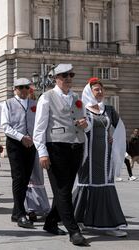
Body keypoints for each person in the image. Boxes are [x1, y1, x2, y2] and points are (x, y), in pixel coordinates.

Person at [33, 64, 90, 246]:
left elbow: (86, 123)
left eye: (71, 75)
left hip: (76, 147)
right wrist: (42, 153)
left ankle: (50, 222)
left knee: (64, 188)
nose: (68, 78)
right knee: (63, 190)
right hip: (56, 147)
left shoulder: (76, 97)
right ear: (56, 78)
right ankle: (73, 231)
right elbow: (39, 128)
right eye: (64, 75)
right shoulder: (46, 98)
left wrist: (85, 123)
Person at [73, 77, 128, 237]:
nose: (101, 92)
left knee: (106, 184)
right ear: (89, 92)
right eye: (96, 89)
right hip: (87, 156)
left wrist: (113, 139)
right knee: (86, 185)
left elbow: (120, 128)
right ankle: (79, 220)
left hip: (105, 156)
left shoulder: (109, 109)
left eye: (101, 89)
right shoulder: (81, 108)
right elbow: (75, 127)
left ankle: (108, 224)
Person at [1, 78, 37, 228]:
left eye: (26, 87)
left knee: (26, 178)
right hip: (15, 143)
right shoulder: (8, 104)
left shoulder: (35, 104)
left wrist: (33, 139)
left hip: (31, 143)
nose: (23, 90)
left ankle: (17, 212)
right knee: (18, 177)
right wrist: (21, 137)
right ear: (14, 89)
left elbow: (40, 123)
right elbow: (5, 126)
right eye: (20, 87)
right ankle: (20, 213)